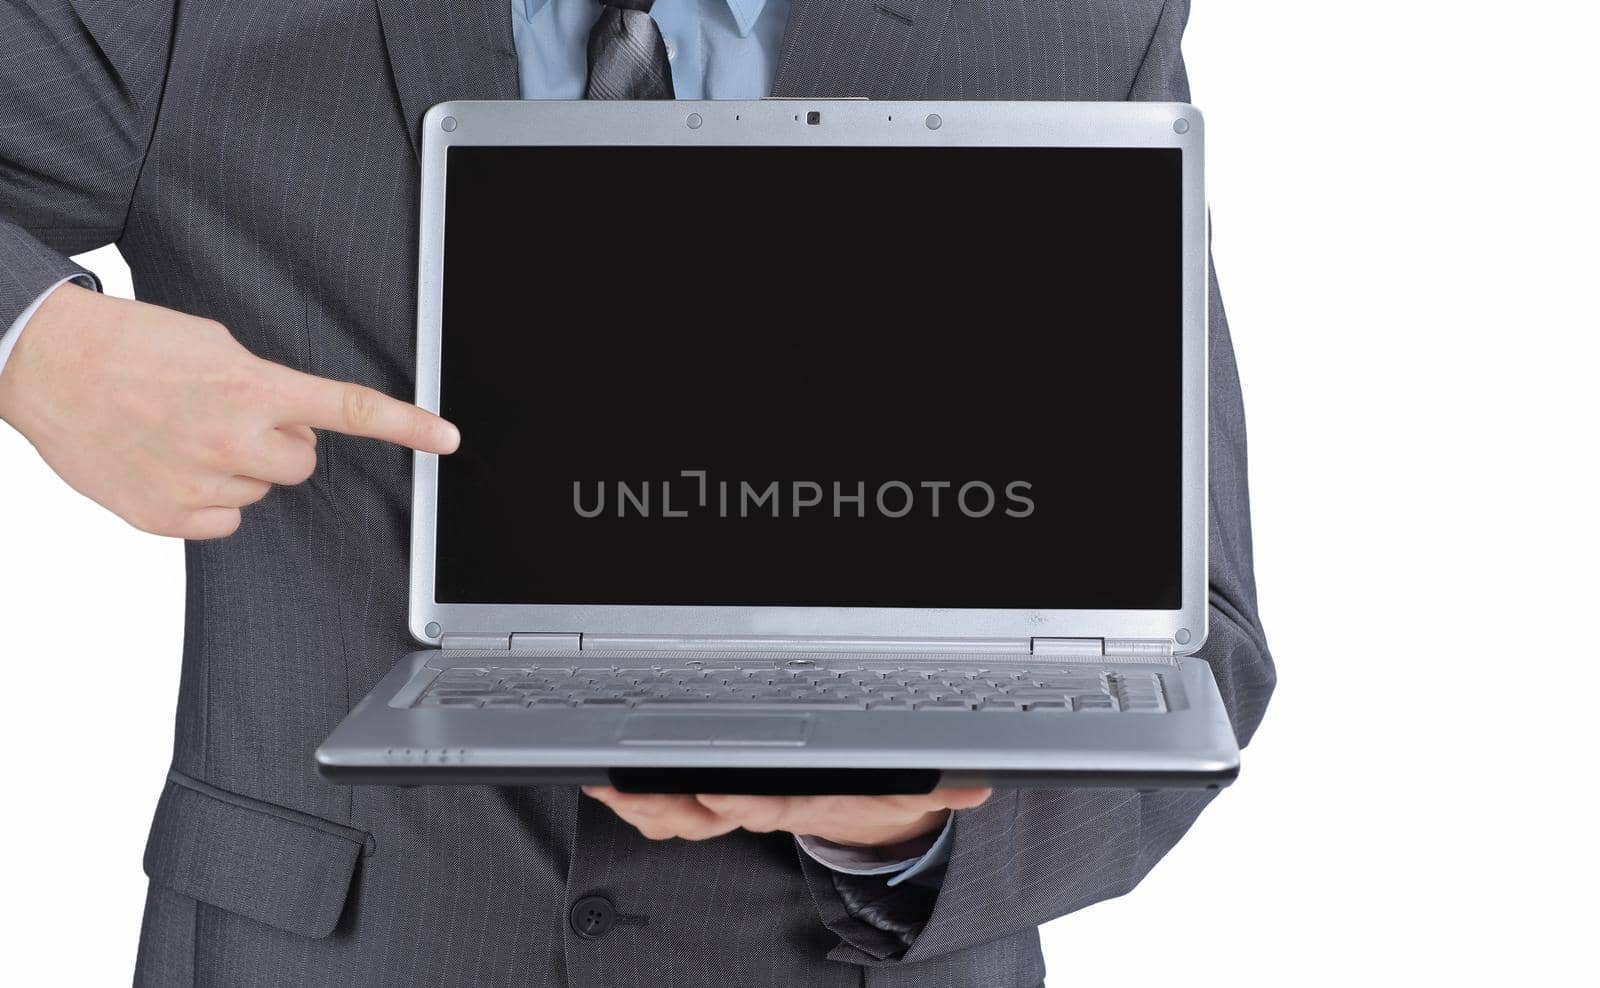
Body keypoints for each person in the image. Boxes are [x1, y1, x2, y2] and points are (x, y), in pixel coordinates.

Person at [0, 0, 1275, 984]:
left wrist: (894, 827)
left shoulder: (1070, 28)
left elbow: (1192, 642)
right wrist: (34, 347)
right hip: (328, 949)